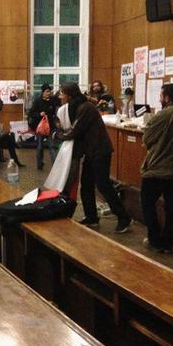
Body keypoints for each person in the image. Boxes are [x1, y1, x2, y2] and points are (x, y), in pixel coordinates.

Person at [60, 82, 132, 233]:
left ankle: (124, 218)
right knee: (86, 185)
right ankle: (91, 216)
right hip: (91, 152)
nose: (61, 96)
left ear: (70, 95)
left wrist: (59, 135)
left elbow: (75, 130)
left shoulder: (85, 108)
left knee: (103, 185)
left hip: (100, 151)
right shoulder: (79, 106)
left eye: (63, 93)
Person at [140, 84, 173, 254]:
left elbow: (147, 137)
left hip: (158, 166)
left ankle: (154, 239)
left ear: (167, 97)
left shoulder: (164, 114)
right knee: (172, 205)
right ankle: (168, 242)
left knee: (148, 202)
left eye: (161, 95)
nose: (159, 98)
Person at [28, 83, 59, 170]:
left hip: (50, 128)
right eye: (47, 91)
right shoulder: (37, 101)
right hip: (40, 128)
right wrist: (39, 114)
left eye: (50, 91)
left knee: (51, 146)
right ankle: (39, 164)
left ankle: (55, 166)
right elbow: (31, 113)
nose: (49, 93)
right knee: (40, 146)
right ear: (43, 92)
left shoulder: (52, 100)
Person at [0, 96, 25, 167]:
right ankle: (15, 146)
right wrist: (0, 100)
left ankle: (16, 160)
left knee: (9, 141)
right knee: (8, 137)